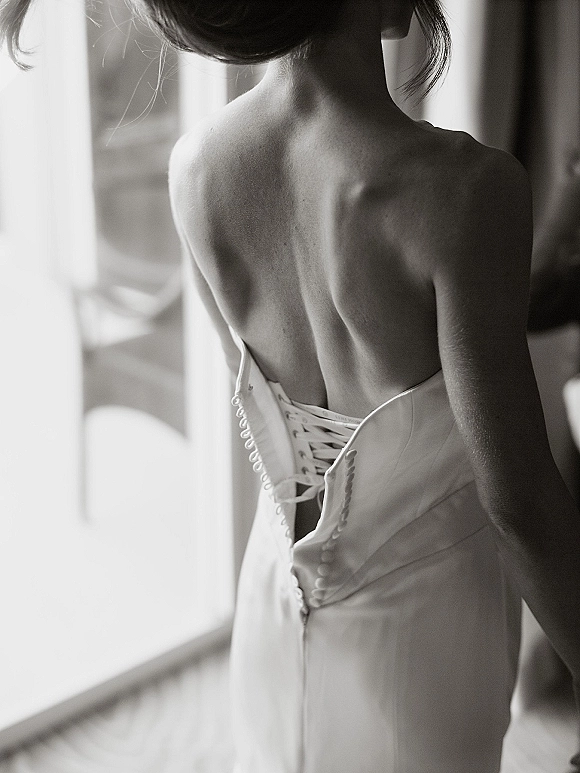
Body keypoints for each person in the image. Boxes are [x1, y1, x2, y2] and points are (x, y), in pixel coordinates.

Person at [3, 1, 580, 770]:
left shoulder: (197, 168)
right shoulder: (466, 192)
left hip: (275, 608)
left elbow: (262, 412)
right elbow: (520, 498)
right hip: (426, 635)